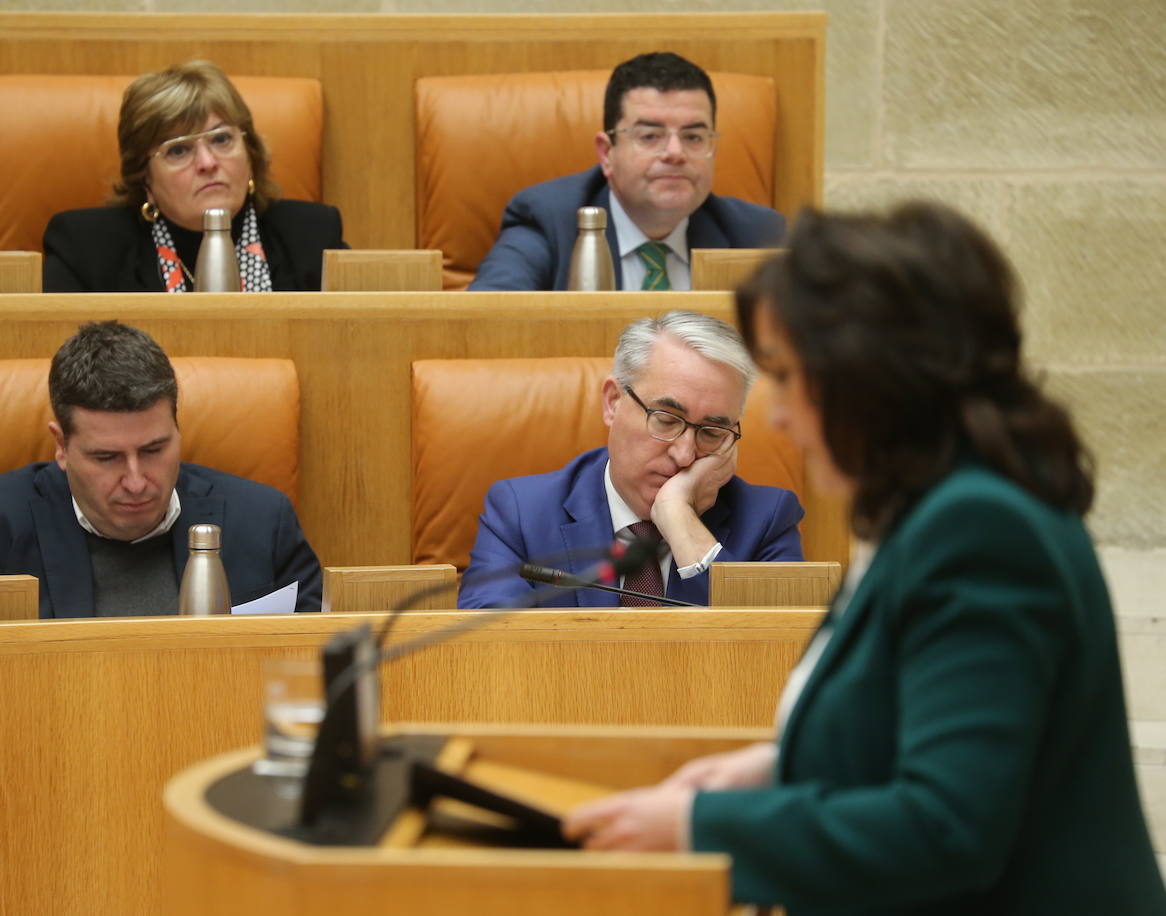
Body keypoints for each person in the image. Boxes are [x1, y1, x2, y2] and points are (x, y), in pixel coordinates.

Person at [563, 204, 1166, 913]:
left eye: (787, 377)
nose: (778, 417)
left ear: (866, 378)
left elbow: (946, 830)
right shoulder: (926, 507)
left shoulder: (979, 531)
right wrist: (770, 771)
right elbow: (902, 726)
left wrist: (701, 827)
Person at [0, 321, 323, 616]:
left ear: (178, 430)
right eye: (106, 458)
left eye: (154, 449)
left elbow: (317, 666)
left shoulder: (263, 521)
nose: (137, 481)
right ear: (62, 446)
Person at [459, 311, 804, 609]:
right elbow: (490, 656)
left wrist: (679, 520)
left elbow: (776, 656)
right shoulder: (521, 515)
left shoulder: (766, 522)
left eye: (711, 432)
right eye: (666, 420)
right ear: (612, 402)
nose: (685, 454)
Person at [469, 52, 784, 291]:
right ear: (607, 153)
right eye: (650, 136)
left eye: (693, 137)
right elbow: (485, 324)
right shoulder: (547, 222)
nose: (675, 153)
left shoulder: (759, 237)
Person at [42, 60, 346, 293]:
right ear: (144, 178)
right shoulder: (85, 250)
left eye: (221, 140)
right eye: (178, 151)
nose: (207, 162)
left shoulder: (316, 238)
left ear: (250, 154)